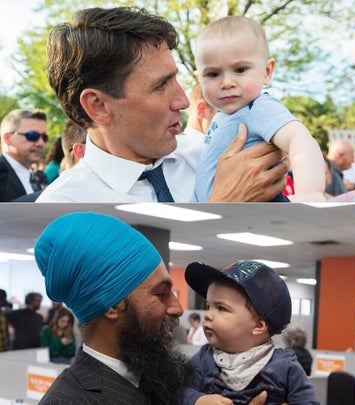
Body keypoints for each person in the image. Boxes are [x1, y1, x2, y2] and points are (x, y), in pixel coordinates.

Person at [39, 6, 289, 203]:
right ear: (98, 106)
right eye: (160, 86)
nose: (183, 100)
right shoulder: (64, 208)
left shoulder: (216, 156)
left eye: (176, 78)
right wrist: (224, 206)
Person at [33, 212, 271, 404]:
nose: (178, 308)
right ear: (113, 305)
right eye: (161, 294)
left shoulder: (159, 377)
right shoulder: (69, 400)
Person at [193, 15, 326, 203]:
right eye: (213, 74)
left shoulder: (259, 107)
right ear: (200, 78)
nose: (227, 83)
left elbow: (300, 139)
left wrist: (309, 192)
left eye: (239, 70)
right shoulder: (222, 116)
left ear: (267, 72)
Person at [183, 260, 318, 405]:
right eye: (209, 306)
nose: (208, 315)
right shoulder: (204, 359)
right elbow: (179, 392)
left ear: (258, 325)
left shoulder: (286, 367)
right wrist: (198, 400)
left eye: (221, 308)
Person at [0, 109, 48, 201]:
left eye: (44, 137)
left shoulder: (40, 176)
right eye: (32, 135)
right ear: (7, 139)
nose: (41, 143)